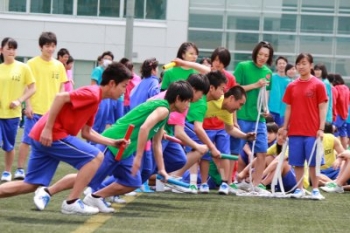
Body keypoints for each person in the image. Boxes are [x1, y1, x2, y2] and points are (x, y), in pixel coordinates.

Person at [34, 81, 194, 213]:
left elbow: (157, 142)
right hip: (114, 142)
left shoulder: (163, 110)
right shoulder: (164, 109)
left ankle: (95, 197)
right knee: (88, 177)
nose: (188, 105)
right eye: (187, 101)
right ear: (178, 98)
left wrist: (162, 169)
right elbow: (145, 128)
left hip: (126, 149)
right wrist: (139, 157)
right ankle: (47, 191)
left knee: (133, 181)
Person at [0, 62, 132, 215]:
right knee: (96, 157)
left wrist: (113, 142)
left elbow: (87, 133)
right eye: (124, 86)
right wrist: (48, 128)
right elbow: (60, 97)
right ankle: (72, 202)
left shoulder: (96, 101)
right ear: (112, 83)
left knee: (31, 184)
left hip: (43, 136)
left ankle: (68, 200)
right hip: (52, 135)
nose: (125, 91)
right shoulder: (92, 93)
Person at [14, 32, 67, 181]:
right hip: (35, 110)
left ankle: (41, 173)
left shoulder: (59, 65)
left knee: (48, 143)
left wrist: (60, 106)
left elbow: (62, 87)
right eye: (47, 46)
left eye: (52, 46)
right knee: (27, 141)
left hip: (51, 113)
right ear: (40, 47)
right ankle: (19, 169)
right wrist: (28, 105)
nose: (50, 49)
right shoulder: (31, 64)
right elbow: (26, 86)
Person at [279, 53, 328, 200]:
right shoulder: (291, 86)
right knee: (297, 162)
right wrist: (285, 127)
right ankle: (299, 189)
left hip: (312, 131)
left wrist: (321, 128)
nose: (301, 66)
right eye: (298, 64)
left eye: (304, 63)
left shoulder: (318, 85)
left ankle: (315, 189)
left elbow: (322, 108)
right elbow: (288, 108)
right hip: (295, 131)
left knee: (313, 163)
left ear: (311, 65)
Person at [230, 41, 274, 192]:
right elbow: (234, 89)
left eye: (266, 55)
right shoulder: (243, 66)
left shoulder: (268, 72)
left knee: (262, 152)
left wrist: (265, 110)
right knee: (235, 151)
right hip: (242, 116)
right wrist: (255, 85)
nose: (262, 57)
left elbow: (265, 95)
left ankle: (255, 185)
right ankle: (229, 182)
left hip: (258, 119)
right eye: (260, 54)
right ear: (255, 53)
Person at [0, 37, 36, 182]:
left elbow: (33, 88)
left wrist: (20, 101)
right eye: (8, 48)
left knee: (8, 146)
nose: (11, 51)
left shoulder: (23, 67)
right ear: (1, 50)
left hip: (12, 115)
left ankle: (7, 172)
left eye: (14, 48)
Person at [90, 51, 113, 134]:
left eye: (109, 59)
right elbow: (93, 84)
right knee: (96, 122)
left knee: (103, 124)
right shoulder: (98, 69)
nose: (107, 60)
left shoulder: (110, 72)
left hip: (107, 99)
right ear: (102, 59)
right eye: (106, 58)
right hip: (99, 97)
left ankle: (98, 145)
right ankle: (91, 144)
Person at [268, 56, 288, 126]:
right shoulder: (271, 78)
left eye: (283, 63)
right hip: (271, 110)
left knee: (281, 132)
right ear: (276, 66)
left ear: (286, 65)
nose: (281, 65)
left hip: (284, 112)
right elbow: (267, 93)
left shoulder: (290, 81)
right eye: (279, 63)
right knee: (270, 132)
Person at [333, 74, 349, 149]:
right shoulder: (346, 88)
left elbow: (334, 101)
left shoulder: (336, 88)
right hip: (345, 114)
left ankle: (336, 151)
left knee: (333, 132)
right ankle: (344, 150)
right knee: (343, 134)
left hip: (338, 114)